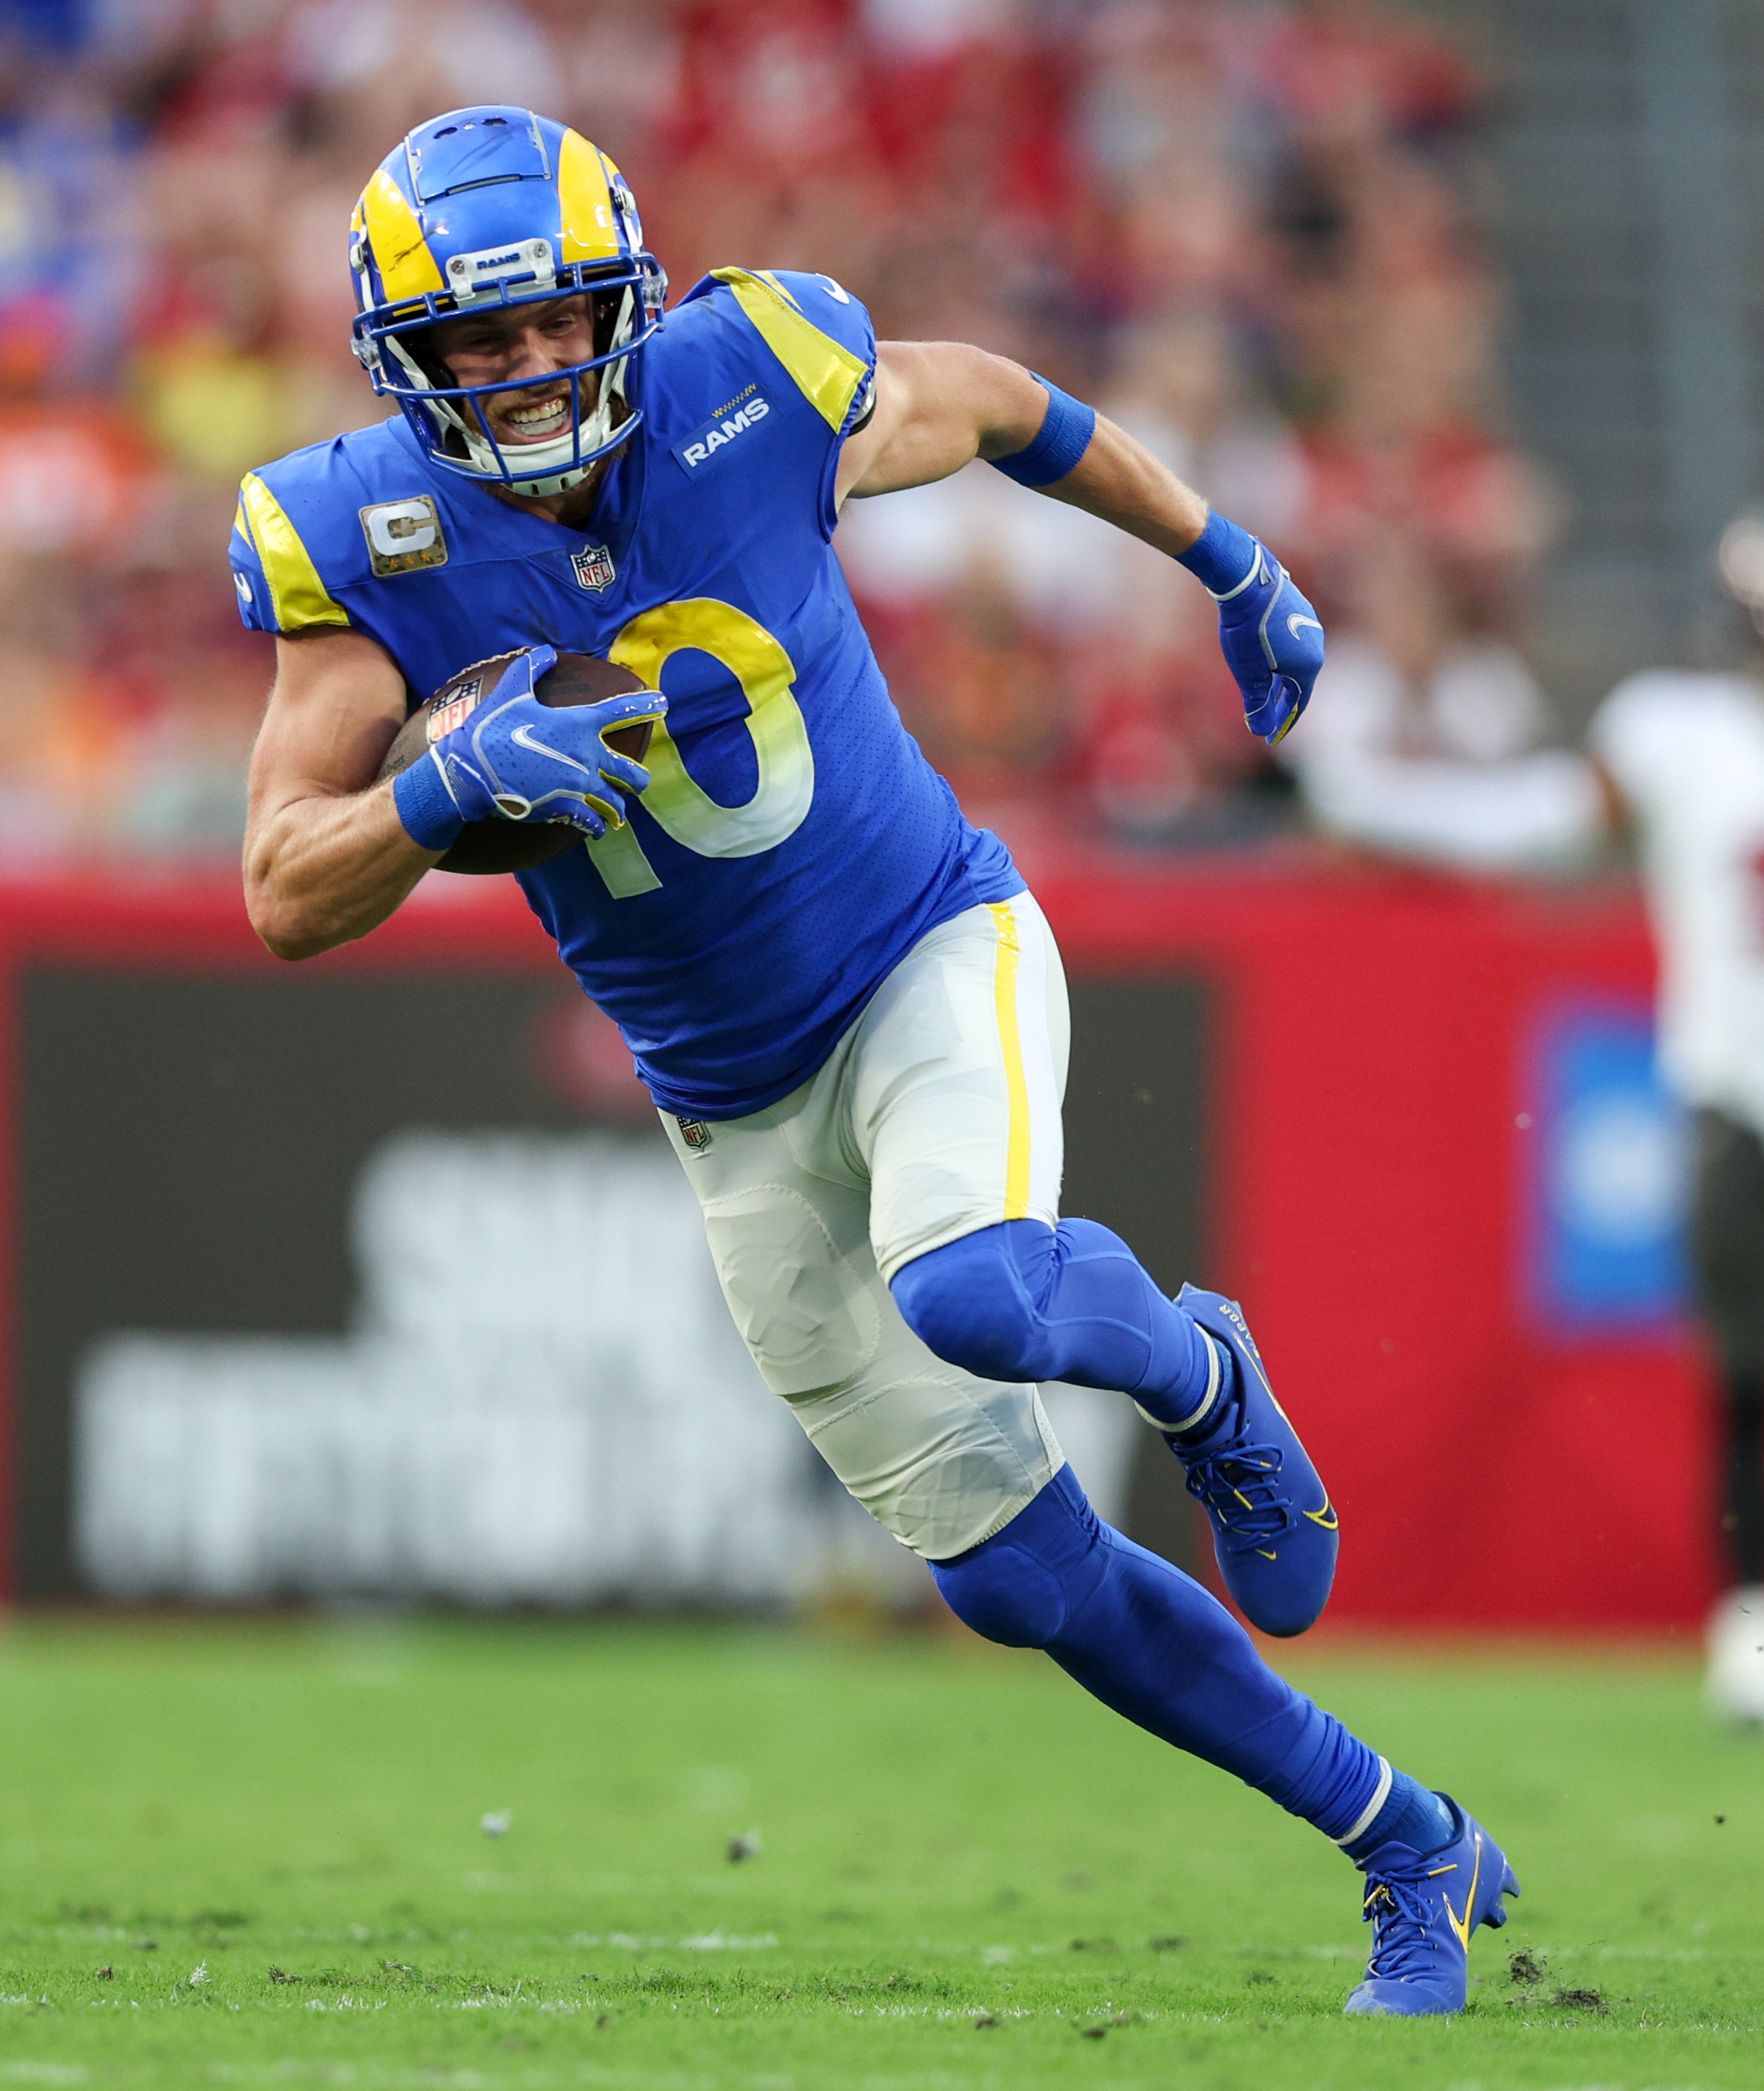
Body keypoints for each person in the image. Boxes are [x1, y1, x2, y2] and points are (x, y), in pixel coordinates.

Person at [232, 106, 1508, 2015]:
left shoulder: (747, 375)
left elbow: (994, 400)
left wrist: (1226, 555)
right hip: (726, 1096)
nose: (517, 375)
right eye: (470, 348)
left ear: (625, 305)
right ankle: (1401, 1838)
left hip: (926, 948)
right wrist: (431, 787)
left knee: (980, 1285)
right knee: (1011, 1578)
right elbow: (279, 887)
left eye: (548, 326)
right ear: (400, 368)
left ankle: (1194, 1363)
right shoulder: (367, 540)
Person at [1281, 515, 1764, 1726]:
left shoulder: (1679, 733)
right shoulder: (1679, 733)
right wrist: (1375, 800)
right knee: (1753, 1380)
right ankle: (1751, 1617)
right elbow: (1537, 819)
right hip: (1740, 1099)